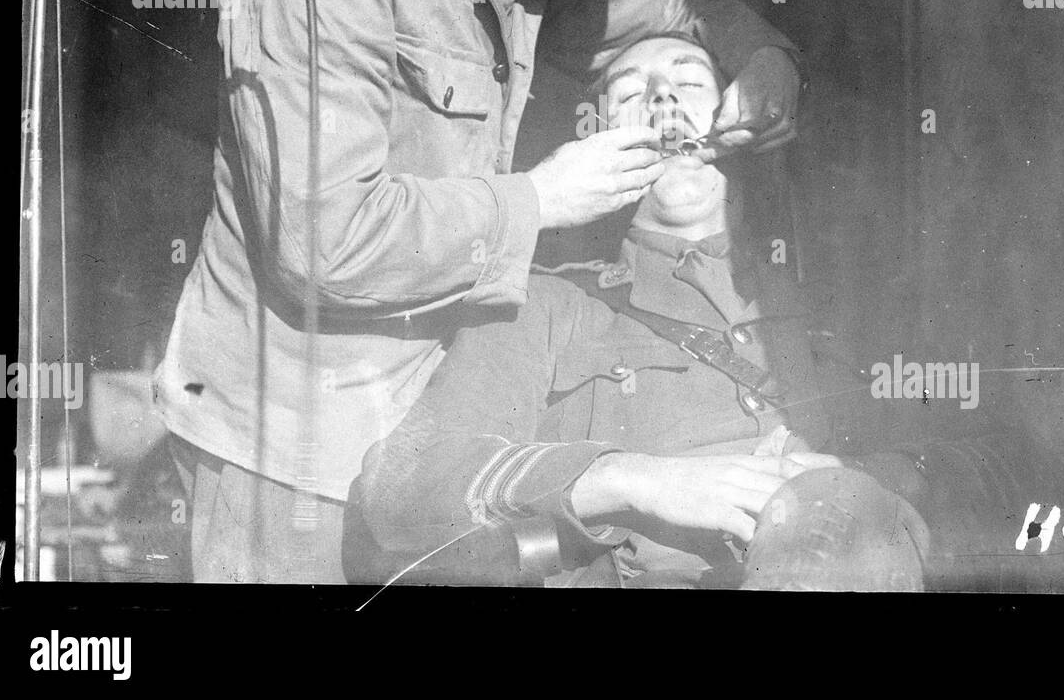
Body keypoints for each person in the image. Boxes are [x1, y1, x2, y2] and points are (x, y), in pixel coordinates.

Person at [153, 0, 806, 584]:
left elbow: (680, 4)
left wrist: (766, 59)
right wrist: (539, 200)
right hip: (296, 447)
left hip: (434, 431)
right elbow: (324, 243)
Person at [346, 33, 934, 588]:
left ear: (742, 124)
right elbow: (399, 493)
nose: (662, 98)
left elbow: (1000, 452)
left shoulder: (841, 296)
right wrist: (631, 478)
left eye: (692, 83)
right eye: (629, 93)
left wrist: (878, 481)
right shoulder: (547, 302)